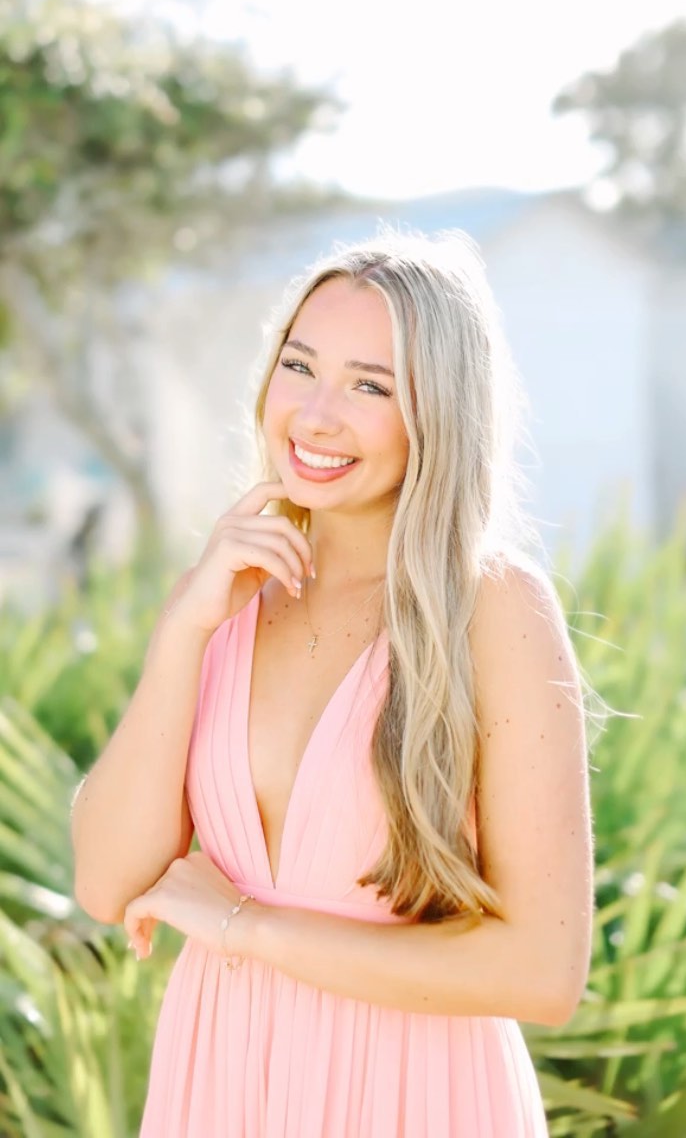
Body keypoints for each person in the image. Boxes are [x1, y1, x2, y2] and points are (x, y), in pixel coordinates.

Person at [71, 228, 593, 1137]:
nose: (315, 416)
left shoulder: (494, 609)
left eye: (370, 386)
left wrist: (245, 927)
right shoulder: (225, 596)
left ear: (440, 413)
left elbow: (543, 973)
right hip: (220, 1085)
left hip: (416, 1095)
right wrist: (183, 631)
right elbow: (109, 883)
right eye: (300, 366)